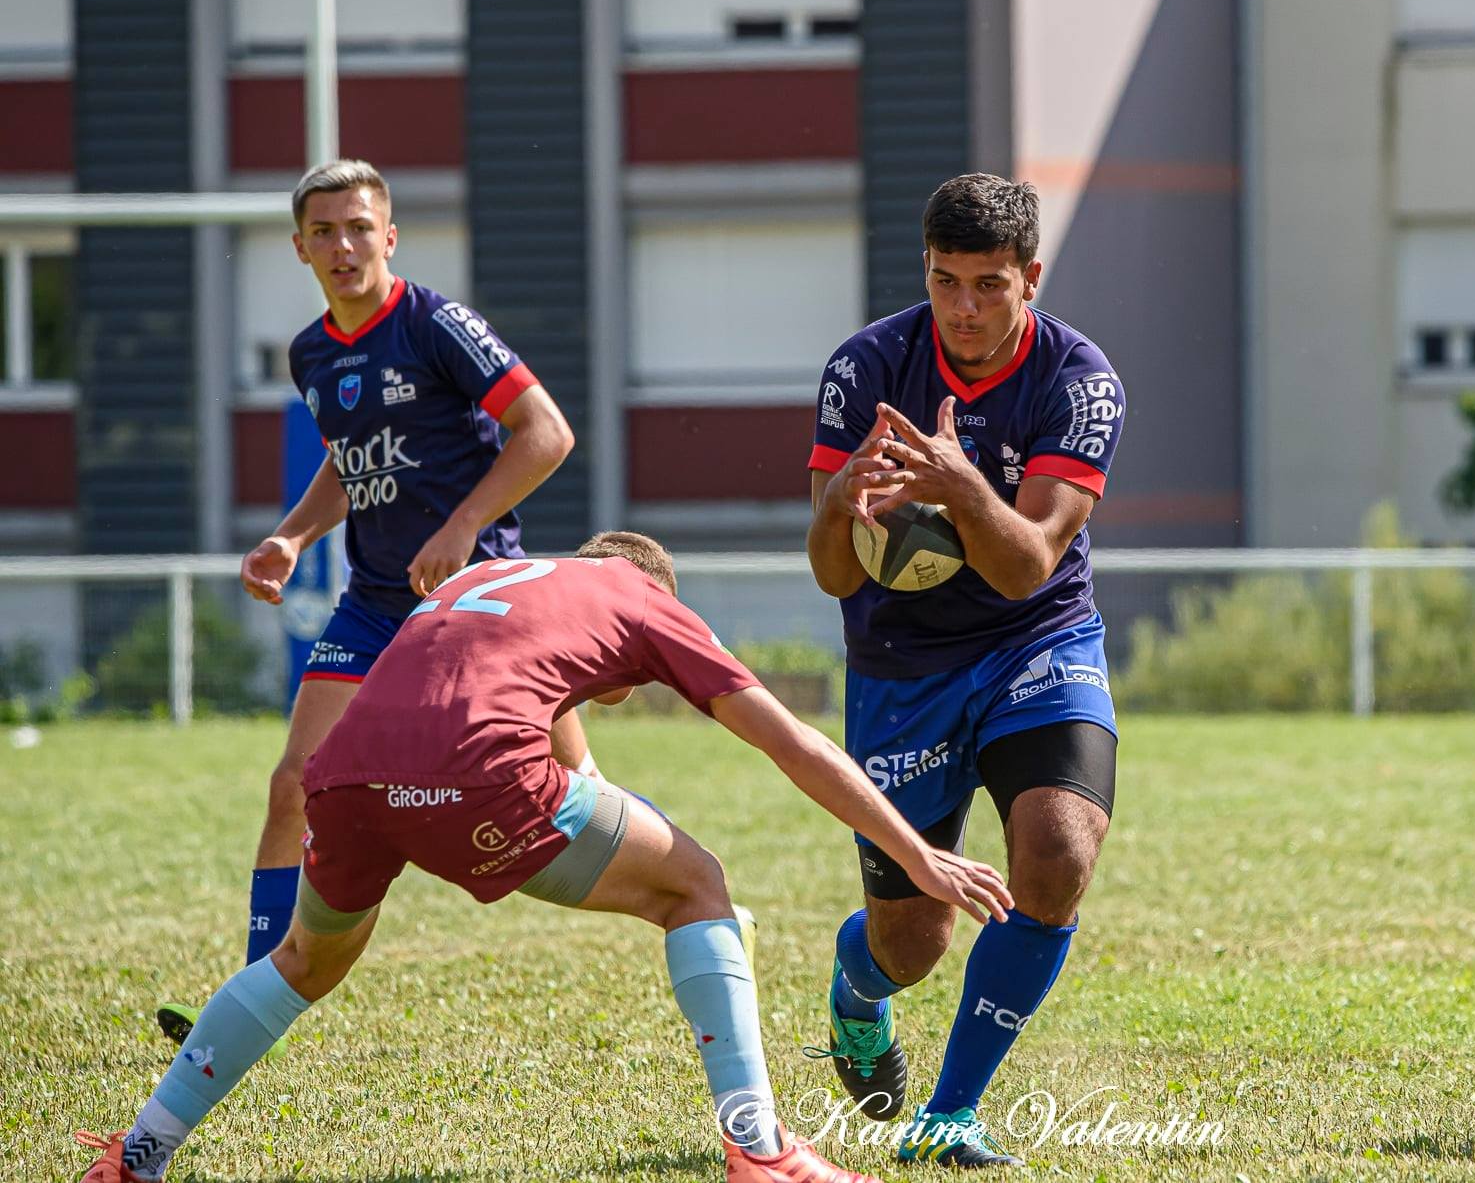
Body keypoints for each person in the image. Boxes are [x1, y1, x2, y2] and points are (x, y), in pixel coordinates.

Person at [77, 531, 1013, 1183]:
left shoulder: (514, 581)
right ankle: (760, 1149)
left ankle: (141, 1153)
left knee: (304, 960)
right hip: (476, 770)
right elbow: (789, 742)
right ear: (656, 588)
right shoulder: (646, 601)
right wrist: (917, 854)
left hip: (346, 772)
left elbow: (549, 723)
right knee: (697, 888)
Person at [157, 159, 586, 1044]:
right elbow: (353, 461)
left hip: (477, 598)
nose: (343, 245)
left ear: (389, 236)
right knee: (292, 787)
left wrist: (464, 526)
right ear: (300, 247)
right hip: (374, 602)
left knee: (573, 794)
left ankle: (698, 905)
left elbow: (546, 432)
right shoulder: (311, 353)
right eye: (325, 231)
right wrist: (291, 535)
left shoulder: (438, 326)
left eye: (360, 228)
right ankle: (256, 999)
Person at [803, 173, 1125, 1167]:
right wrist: (842, 503)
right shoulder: (865, 367)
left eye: (991, 285)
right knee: (912, 944)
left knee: (1058, 856)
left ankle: (950, 1116)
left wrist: (958, 487)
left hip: (1038, 642)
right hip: (901, 666)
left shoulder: (1079, 379)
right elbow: (825, 574)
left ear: (1031, 276)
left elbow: (1029, 563)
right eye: (947, 282)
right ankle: (857, 997)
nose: (967, 309)